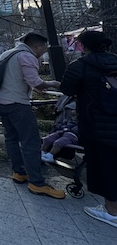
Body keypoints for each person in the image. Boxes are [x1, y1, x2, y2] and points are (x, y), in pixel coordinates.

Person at [0, 32, 65, 199]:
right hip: (18, 104)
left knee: (11, 138)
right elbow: (35, 82)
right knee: (31, 143)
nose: (43, 53)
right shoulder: (27, 56)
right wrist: (54, 84)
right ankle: (37, 183)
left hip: (0, 101)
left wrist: (37, 87)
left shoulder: (7, 54)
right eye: (44, 49)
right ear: (37, 46)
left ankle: (19, 172)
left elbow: (15, 79)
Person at [60, 30, 117, 228]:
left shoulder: (80, 66)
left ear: (83, 46)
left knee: (105, 167)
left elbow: (67, 89)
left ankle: (112, 212)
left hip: (96, 125)